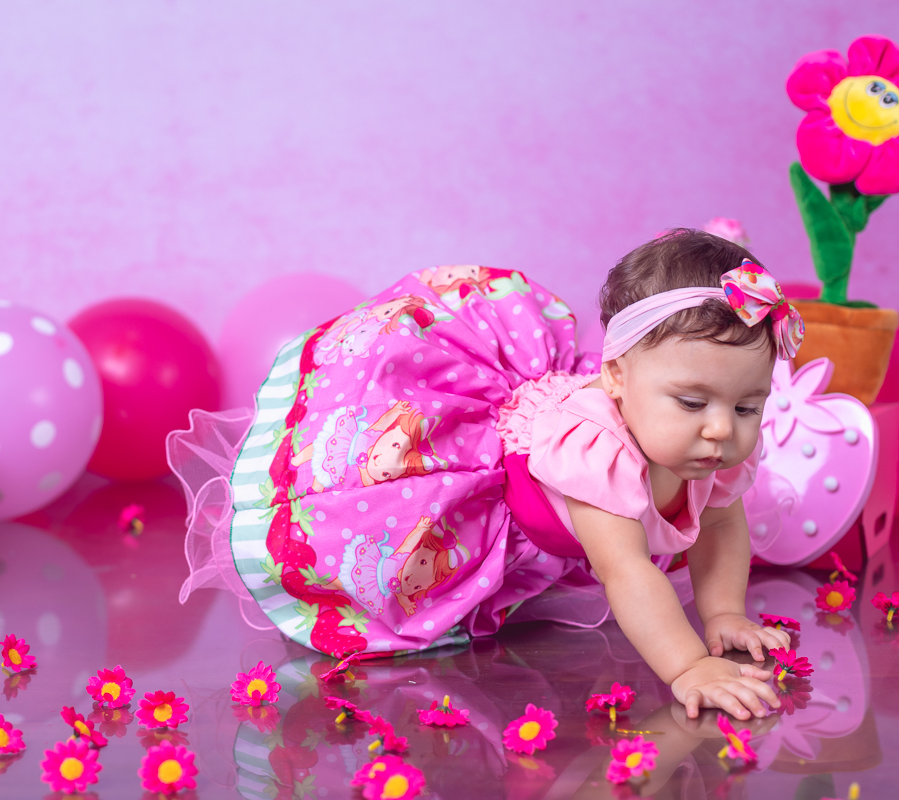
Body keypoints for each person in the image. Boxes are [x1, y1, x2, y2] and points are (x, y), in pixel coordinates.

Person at [169, 229, 800, 720]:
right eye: (691, 403)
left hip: (564, 512)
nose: (722, 430)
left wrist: (724, 613)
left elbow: (722, 525)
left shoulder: (708, 448)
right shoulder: (602, 452)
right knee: (397, 556)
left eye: (747, 406)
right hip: (493, 481)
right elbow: (626, 570)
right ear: (616, 378)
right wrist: (688, 666)